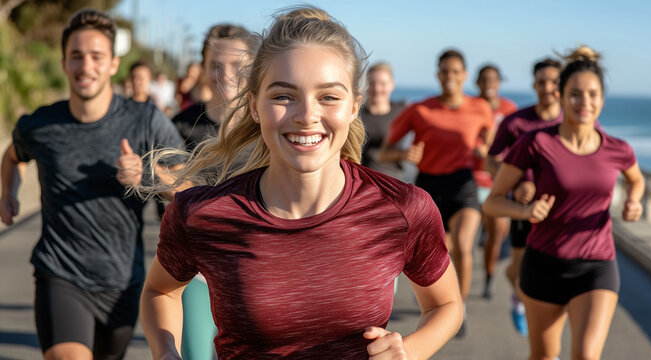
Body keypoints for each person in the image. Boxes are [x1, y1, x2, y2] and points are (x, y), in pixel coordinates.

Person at [139, 6, 463, 359]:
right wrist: (165, 351)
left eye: (328, 96)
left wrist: (410, 352)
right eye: (283, 96)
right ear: (253, 105)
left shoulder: (403, 208)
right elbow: (160, 291)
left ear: (354, 106)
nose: (307, 115)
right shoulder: (202, 213)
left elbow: (446, 304)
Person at [0, 9, 183, 360]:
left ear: (113, 63)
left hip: (122, 282)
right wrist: (7, 193)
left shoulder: (145, 120)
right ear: (64, 63)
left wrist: (144, 176)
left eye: (96, 57)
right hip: (60, 273)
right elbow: (12, 156)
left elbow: (187, 188)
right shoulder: (40, 125)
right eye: (76, 57)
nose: (86, 66)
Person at [482, 46, 645, 360]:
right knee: (543, 356)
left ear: (603, 98)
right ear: (561, 95)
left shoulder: (618, 149)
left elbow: (635, 179)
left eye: (593, 94)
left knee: (585, 355)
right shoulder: (536, 142)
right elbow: (493, 203)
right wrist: (525, 211)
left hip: (596, 267)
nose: (585, 102)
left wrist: (634, 202)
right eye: (576, 94)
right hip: (544, 265)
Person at [379, 49, 494, 335]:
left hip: (464, 183)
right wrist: (405, 152)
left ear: (465, 75)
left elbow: (491, 153)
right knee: (435, 252)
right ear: (437, 75)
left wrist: (490, 157)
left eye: (455, 72)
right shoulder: (419, 110)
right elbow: (384, 152)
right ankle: (439, 303)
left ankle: (459, 309)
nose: (450, 77)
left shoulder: (480, 109)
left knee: (465, 246)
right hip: (429, 187)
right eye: (444, 71)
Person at [170, 22, 257, 360]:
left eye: (237, 66)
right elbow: (172, 194)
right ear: (203, 68)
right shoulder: (180, 125)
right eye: (216, 65)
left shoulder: (268, 130)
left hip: (257, 271)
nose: (226, 75)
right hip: (196, 272)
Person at [484, 57, 563, 336]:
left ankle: (547, 341)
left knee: (553, 274)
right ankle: (516, 291)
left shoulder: (571, 121)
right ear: (534, 85)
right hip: (523, 208)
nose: (548, 88)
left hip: (561, 211)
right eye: (542, 82)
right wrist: (514, 184)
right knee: (519, 270)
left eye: (554, 82)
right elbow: (490, 161)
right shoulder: (516, 122)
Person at [473, 64, 517, 301]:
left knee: (497, 234)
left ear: (499, 82)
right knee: (461, 239)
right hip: (472, 178)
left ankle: (490, 276)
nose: (489, 83)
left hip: (499, 181)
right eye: (484, 79)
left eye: (493, 79)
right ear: (477, 82)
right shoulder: (470, 106)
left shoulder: (510, 110)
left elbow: (519, 144)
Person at [360, 62, 407, 180]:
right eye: (372, 83)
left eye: (382, 83)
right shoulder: (356, 116)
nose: (377, 88)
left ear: (392, 85)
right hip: (363, 181)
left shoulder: (402, 111)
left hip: (394, 181)